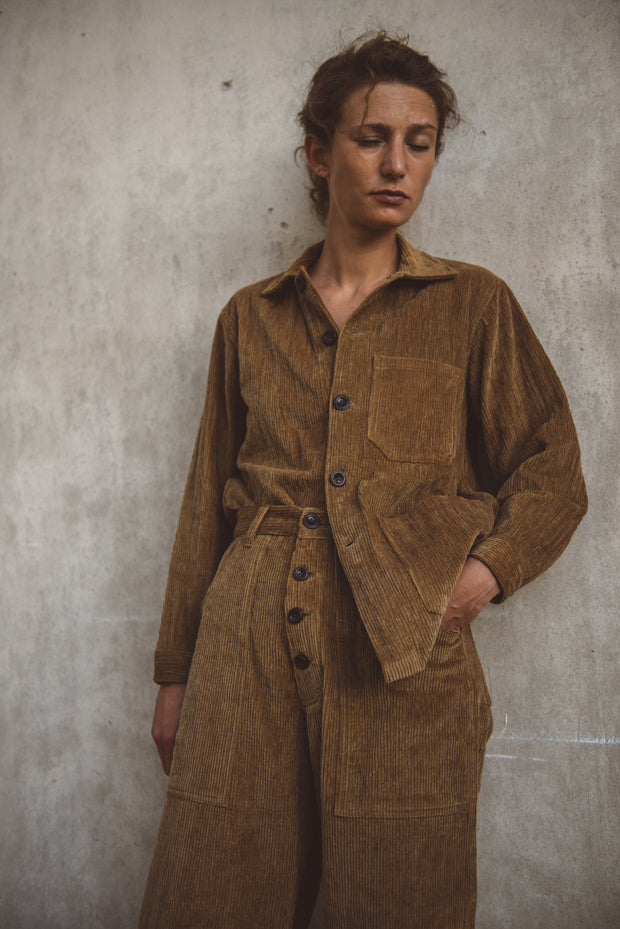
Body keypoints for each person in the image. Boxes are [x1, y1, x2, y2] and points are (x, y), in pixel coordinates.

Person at [139, 31, 587, 929]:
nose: (397, 163)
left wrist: (477, 580)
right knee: (217, 888)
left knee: (399, 893)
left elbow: (553, 469)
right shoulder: (251, 316)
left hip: (402, 648)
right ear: (318, 151)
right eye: (371, 137)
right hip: (244, 643)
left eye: (419, 142)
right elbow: (203, 506)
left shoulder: (473, 304)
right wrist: (177, 674)